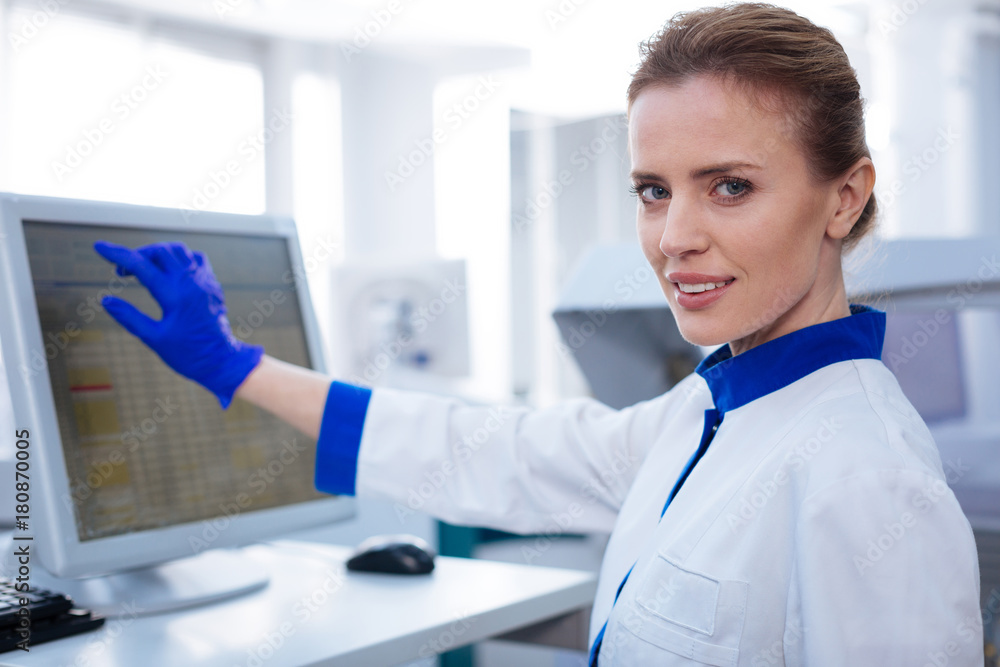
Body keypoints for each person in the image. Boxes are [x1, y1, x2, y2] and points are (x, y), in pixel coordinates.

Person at [93, 3, 983, 665]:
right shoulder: (708, 410)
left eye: (730, 186)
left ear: (845, 196)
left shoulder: (869, 484)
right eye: (652, 189)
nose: (673, 236)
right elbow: (499, 452)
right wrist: (236, 367)